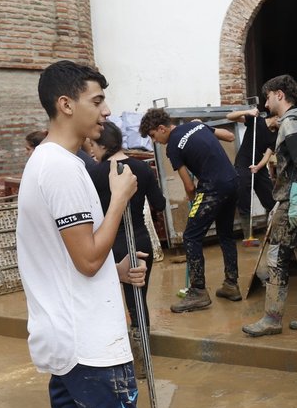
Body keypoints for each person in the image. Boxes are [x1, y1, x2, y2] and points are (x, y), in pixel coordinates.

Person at [16, 60, 178, 408]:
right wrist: (120, 199)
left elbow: (75, 262)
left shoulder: (45, 163)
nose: (106, 110)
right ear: (67, 103)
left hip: (64, 333)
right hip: (90, 341)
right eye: (97, 99)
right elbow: (85, 257)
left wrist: (116, 269)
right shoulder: (61, 170)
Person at [243, 74, 297, 336]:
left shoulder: (292, 123)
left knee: (277, 256)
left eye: (267, 97)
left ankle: (272, 319)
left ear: (279, 94)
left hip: (294, 199)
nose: (266, 104)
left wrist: (294, 202)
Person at [85, 121, 166, 378]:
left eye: (93, 145)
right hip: (139, 241)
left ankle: (112, 357)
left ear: (105, 145)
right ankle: (142, 363)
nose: (91, 152)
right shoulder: (141, 168)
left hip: (107, 242)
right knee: (137, 301)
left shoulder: (94, 173)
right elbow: (160, 205)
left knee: (105, 301)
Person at [139, 107, 242, 312]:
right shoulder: (195, 125)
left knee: (191, 236)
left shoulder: (173, 147)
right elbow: (229, 136)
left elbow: (189, 186)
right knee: (226, 234)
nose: (155, 141)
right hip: (232, 182)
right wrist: (202, 126)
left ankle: (198, 292)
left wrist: (195, 201)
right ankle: (231, 284)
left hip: (212, 188)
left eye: (153, 136)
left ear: (161, 128)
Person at [227, 106, 278, 244]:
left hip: (258, 166)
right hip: (243, 163)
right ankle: (248, 236)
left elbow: (267, 155)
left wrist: (258, 167)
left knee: (270, 198)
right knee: (243, 196)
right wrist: (247, 112)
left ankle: (272, 233)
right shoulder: (256, 120)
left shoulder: (276, 135)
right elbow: (229, 116)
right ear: (276, 117)